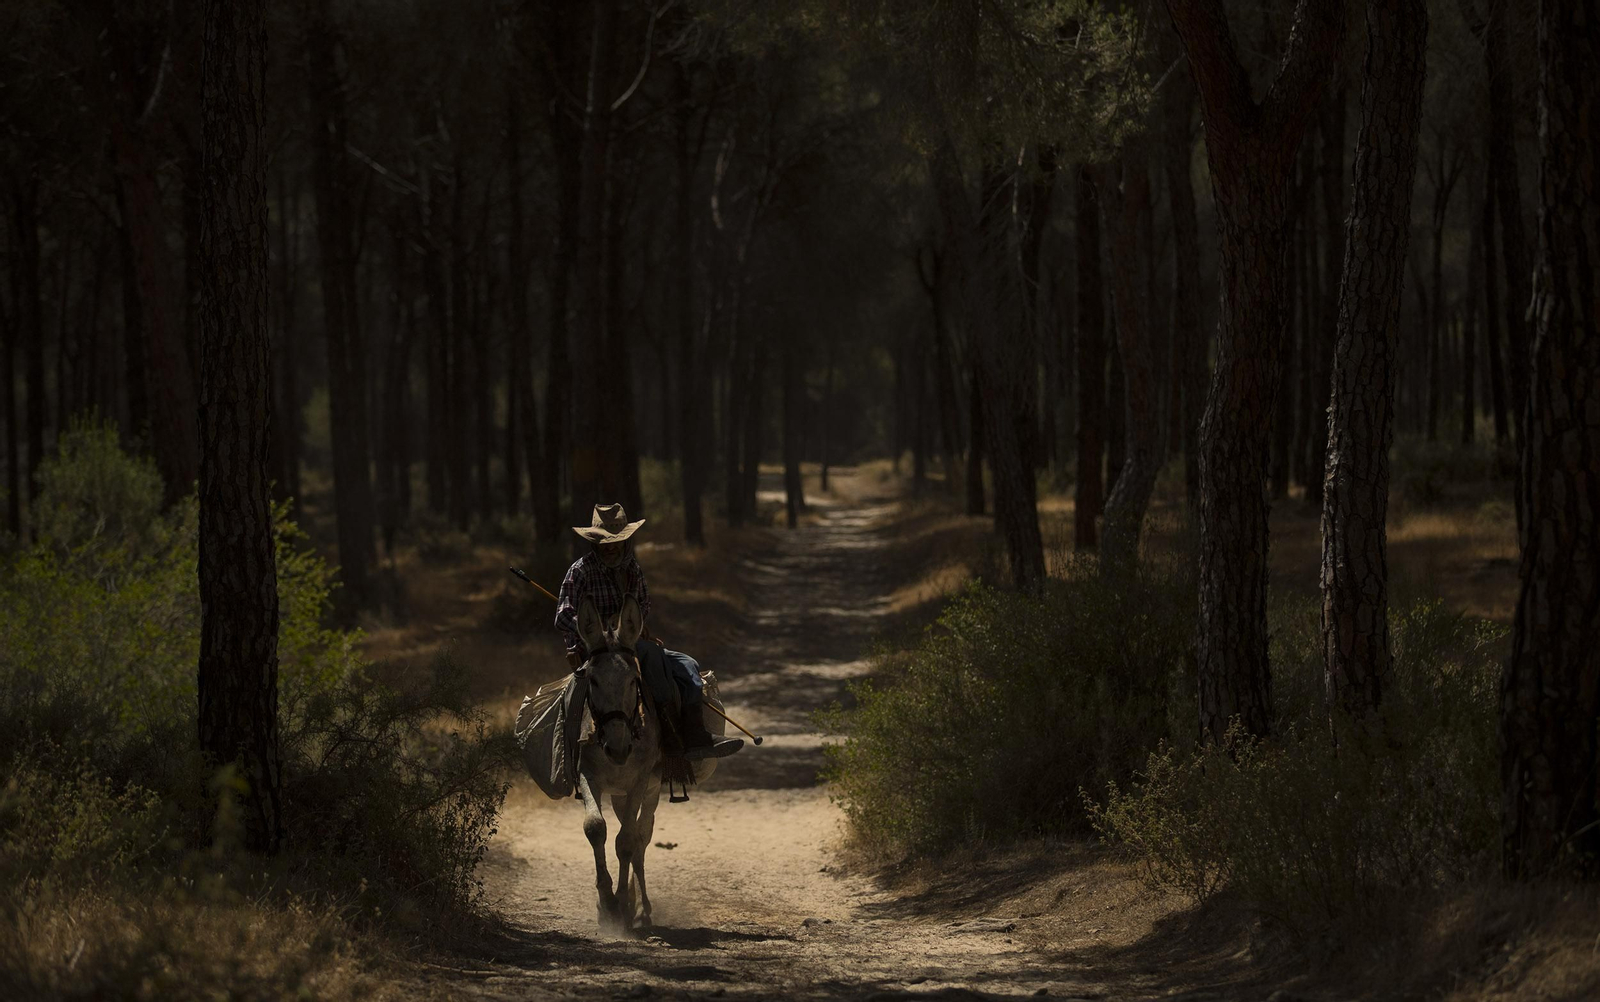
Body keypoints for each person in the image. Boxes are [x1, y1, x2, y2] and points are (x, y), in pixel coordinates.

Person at [554, 503, 743, 761]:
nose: (611, 546)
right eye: (605, 541)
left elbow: (643, 604)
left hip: (630, 644)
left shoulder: (631, 568)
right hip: (598, 650)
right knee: (653, 659)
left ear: (625, 541)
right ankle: (669, 739)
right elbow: (563, 614)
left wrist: (635, 626)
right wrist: (597, 627)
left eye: (616, 540)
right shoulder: (580, 571)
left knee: (688, 665)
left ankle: (696, 735)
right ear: (595, 542)